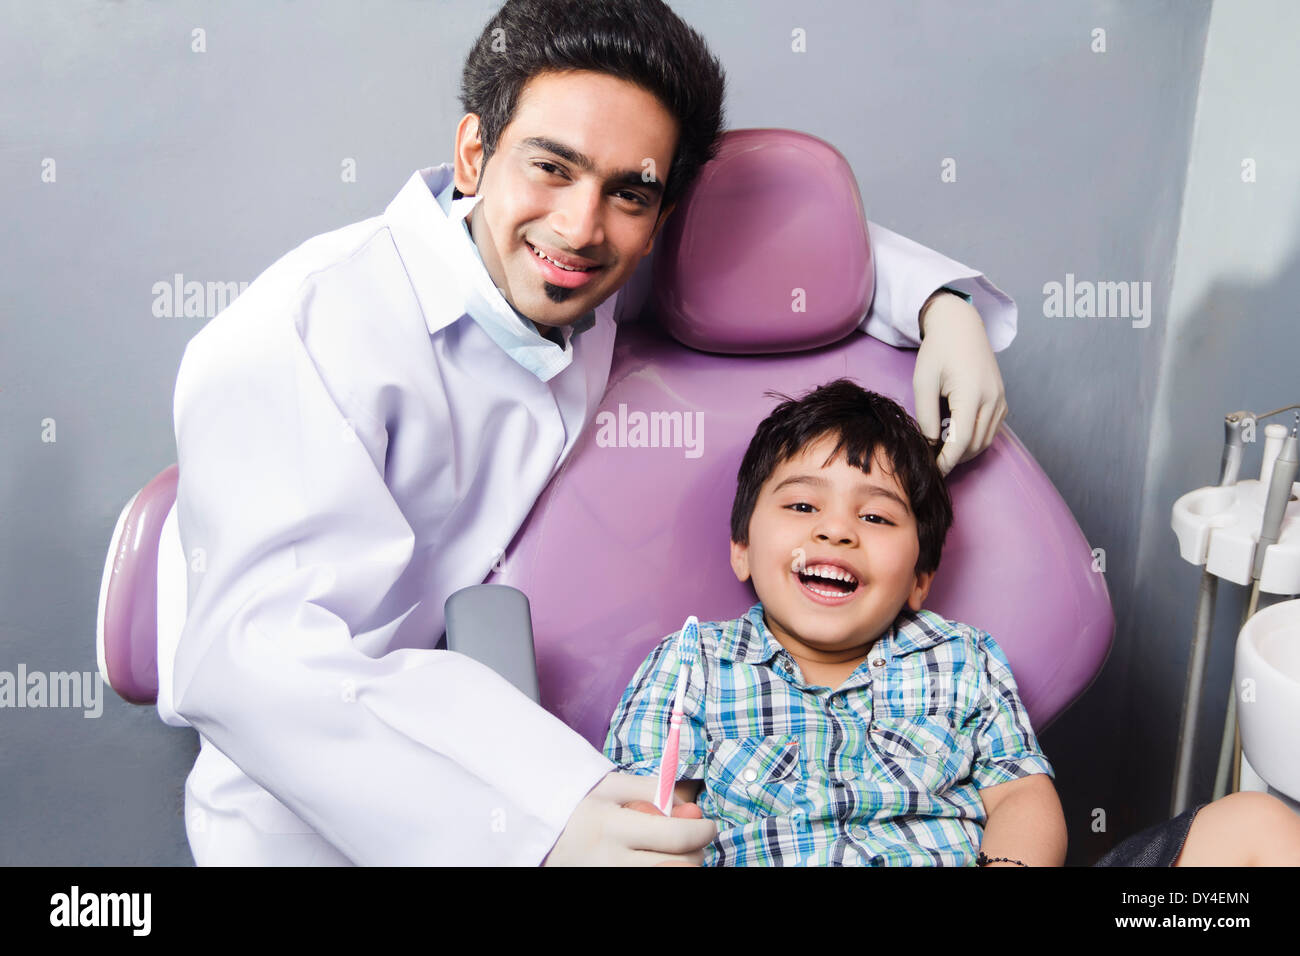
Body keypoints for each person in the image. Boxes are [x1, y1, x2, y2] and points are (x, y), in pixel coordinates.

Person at [170, 0, 1017, 866]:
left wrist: (940, 305)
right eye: (551, 167)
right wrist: (537, 831)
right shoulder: (305, 329)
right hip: (311, 803)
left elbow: (778, 242)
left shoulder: (582, 271)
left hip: (500, 738)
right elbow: (251, 665)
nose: (579, 228)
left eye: (629, 193)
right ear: (474, 154)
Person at [605, 380, 1300, 865]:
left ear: (919, 579)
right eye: (802, 508)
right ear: (741, 549)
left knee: (1257, 827)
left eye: (875, 517)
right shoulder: (692, 663)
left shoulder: (962, 659)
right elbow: (642, 815)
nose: (838, 532)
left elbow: (1021, 793)